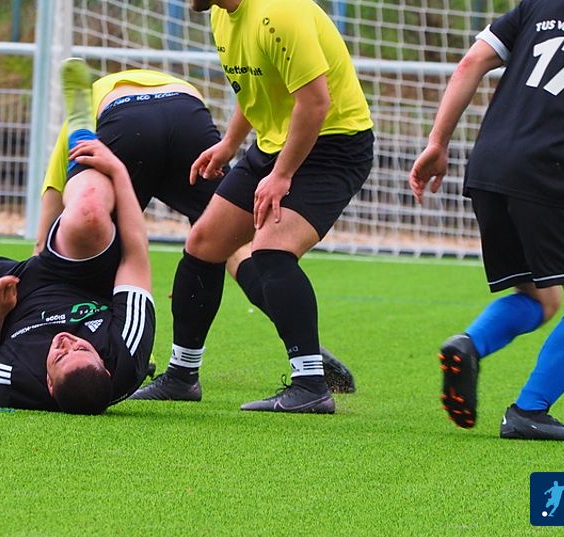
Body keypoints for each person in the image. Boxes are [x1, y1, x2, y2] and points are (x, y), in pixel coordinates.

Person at [37, 66, 357, 401]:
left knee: (100, 248)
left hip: (127, 124)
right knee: (225, 244)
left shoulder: (82, 110)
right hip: (188, 113)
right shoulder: (169, 84)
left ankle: (130, 355)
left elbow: (57, 194)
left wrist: (43, 249)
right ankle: (304, 346)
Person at [134, 0, 374, 413]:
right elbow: (255, 88)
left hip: (334, 144)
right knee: (204, 243)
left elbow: (316, 103)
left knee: (271, 251)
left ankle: (311, 386)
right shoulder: (220, 13)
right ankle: (182, 376)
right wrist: (229, 144)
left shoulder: (280, 12)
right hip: (274, 143)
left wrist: (281, 175)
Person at [0, 59, 155, 414]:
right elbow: (135, 256)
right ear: (106, 366)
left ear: (48, 385)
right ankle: (82, 126)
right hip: (83, 277)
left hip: (11, 304)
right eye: (82, 348)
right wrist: (117, 170)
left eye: (60, 356)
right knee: (87, 212)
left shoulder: (16, 383)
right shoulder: (126, 352)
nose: (67, 342)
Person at [409, 0, 564, 441]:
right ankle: (529, 411)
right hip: (551, 172)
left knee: (540, 298)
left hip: (488, 166)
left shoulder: (541, 4)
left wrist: (437, 143)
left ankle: (469, 345)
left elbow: (471, 62)